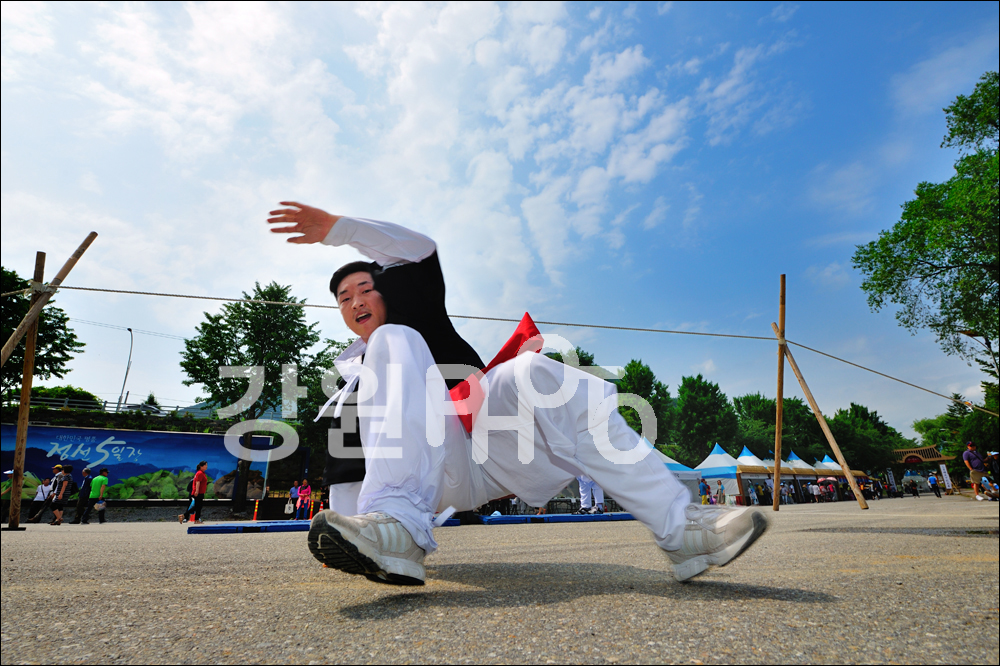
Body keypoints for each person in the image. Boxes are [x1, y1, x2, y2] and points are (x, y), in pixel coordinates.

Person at [268, 204, 768, 585]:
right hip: (423, 487)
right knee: (391, 342)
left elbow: (418, 249)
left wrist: (339, 228)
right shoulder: (347, 386)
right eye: (345, 298)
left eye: (366, 288)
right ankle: (395, 529)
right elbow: (345, 473)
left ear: (388, 288)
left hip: (487, 450)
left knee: (535, 370)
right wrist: (357, 537)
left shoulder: (416, 318)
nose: (356, 301)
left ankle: (681, 529)